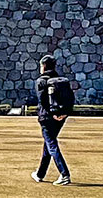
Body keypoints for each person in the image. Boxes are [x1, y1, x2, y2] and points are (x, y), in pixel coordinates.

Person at [32, 55, 74, 186]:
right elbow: (71, 97)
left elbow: (42, 101)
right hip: (61, 117)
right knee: (49, 144)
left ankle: (64, 174)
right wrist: (64, 113)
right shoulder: (61, 81)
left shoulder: (41, 81)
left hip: (46, 117)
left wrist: (51, 113)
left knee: (51, 144)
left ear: (43, 66)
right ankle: (40, 174)